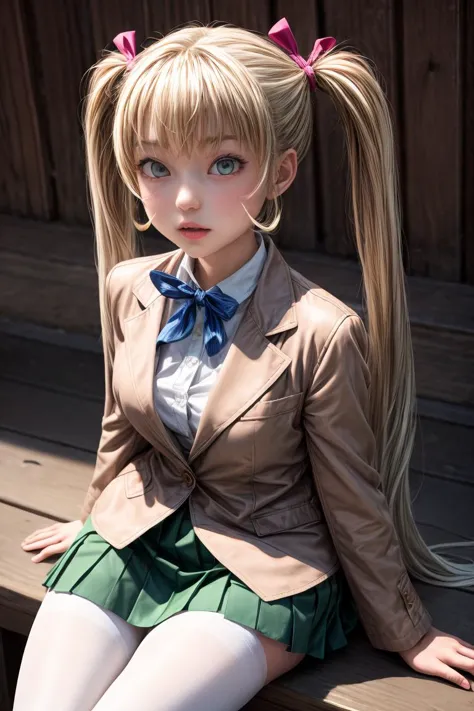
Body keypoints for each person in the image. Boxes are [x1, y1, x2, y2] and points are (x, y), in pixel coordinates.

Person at [14, 18, 474, 711]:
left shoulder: (322, 329)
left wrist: (406, 630)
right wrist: (94, 518)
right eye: (155, 167)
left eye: (223, 163)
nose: (186, 198)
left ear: (280, 171)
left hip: (265, 563)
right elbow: (122, 429)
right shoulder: (131, 289)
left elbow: (352, 495)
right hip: (140, 533)